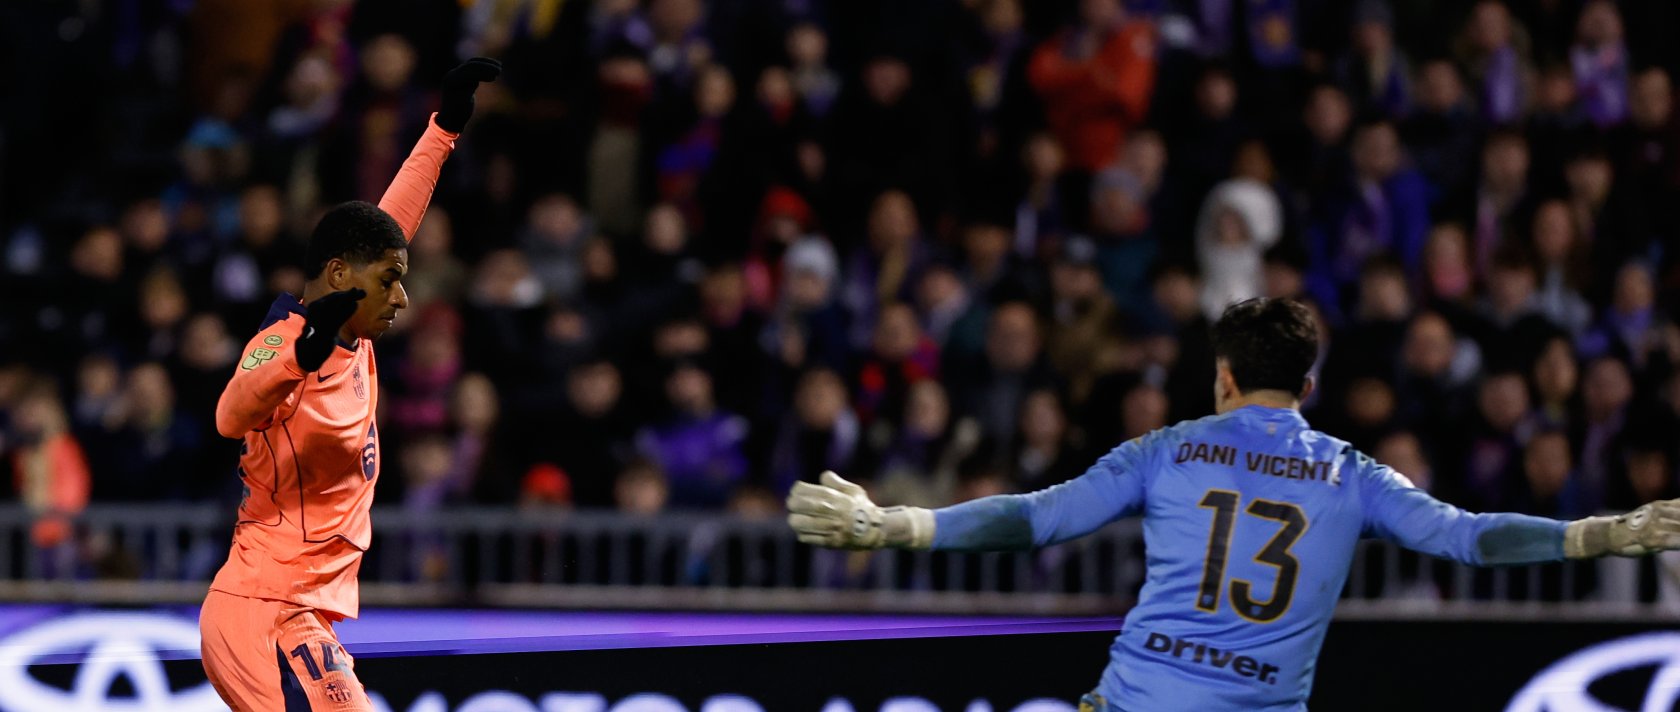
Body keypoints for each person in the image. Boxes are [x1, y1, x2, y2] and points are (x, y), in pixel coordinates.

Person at [787, 297, 1680, 712]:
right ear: (1307, 383)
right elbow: (1470, 541)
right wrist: (1604, 533)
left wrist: (895, 523)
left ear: (1222, 375)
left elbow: (1034, 518)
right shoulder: (1351, 473)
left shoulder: (1165, 450)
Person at [196, 58, 501, 712]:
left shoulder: (353, 330)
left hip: (300, 611)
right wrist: (295, 360)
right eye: (388, 280)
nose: (402, 295)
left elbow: (392, 219)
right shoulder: (282, 343)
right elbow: (229, 414)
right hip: (265, 614)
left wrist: (444, 129)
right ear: (339, 276)